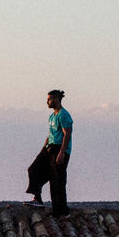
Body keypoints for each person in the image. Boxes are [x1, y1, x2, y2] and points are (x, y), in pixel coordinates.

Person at [26, 89, 72, 217]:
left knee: (57, 180)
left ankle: (61, 211)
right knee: (33, 169)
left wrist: (62, 152)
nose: (47, 102)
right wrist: (42, 151)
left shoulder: (64, 115)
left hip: (59, 148)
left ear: (56, 99)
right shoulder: (52, 116)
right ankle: (37, 199)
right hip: (49, 148)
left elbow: (67, 134)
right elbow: (50, 135)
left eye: (49, 99)